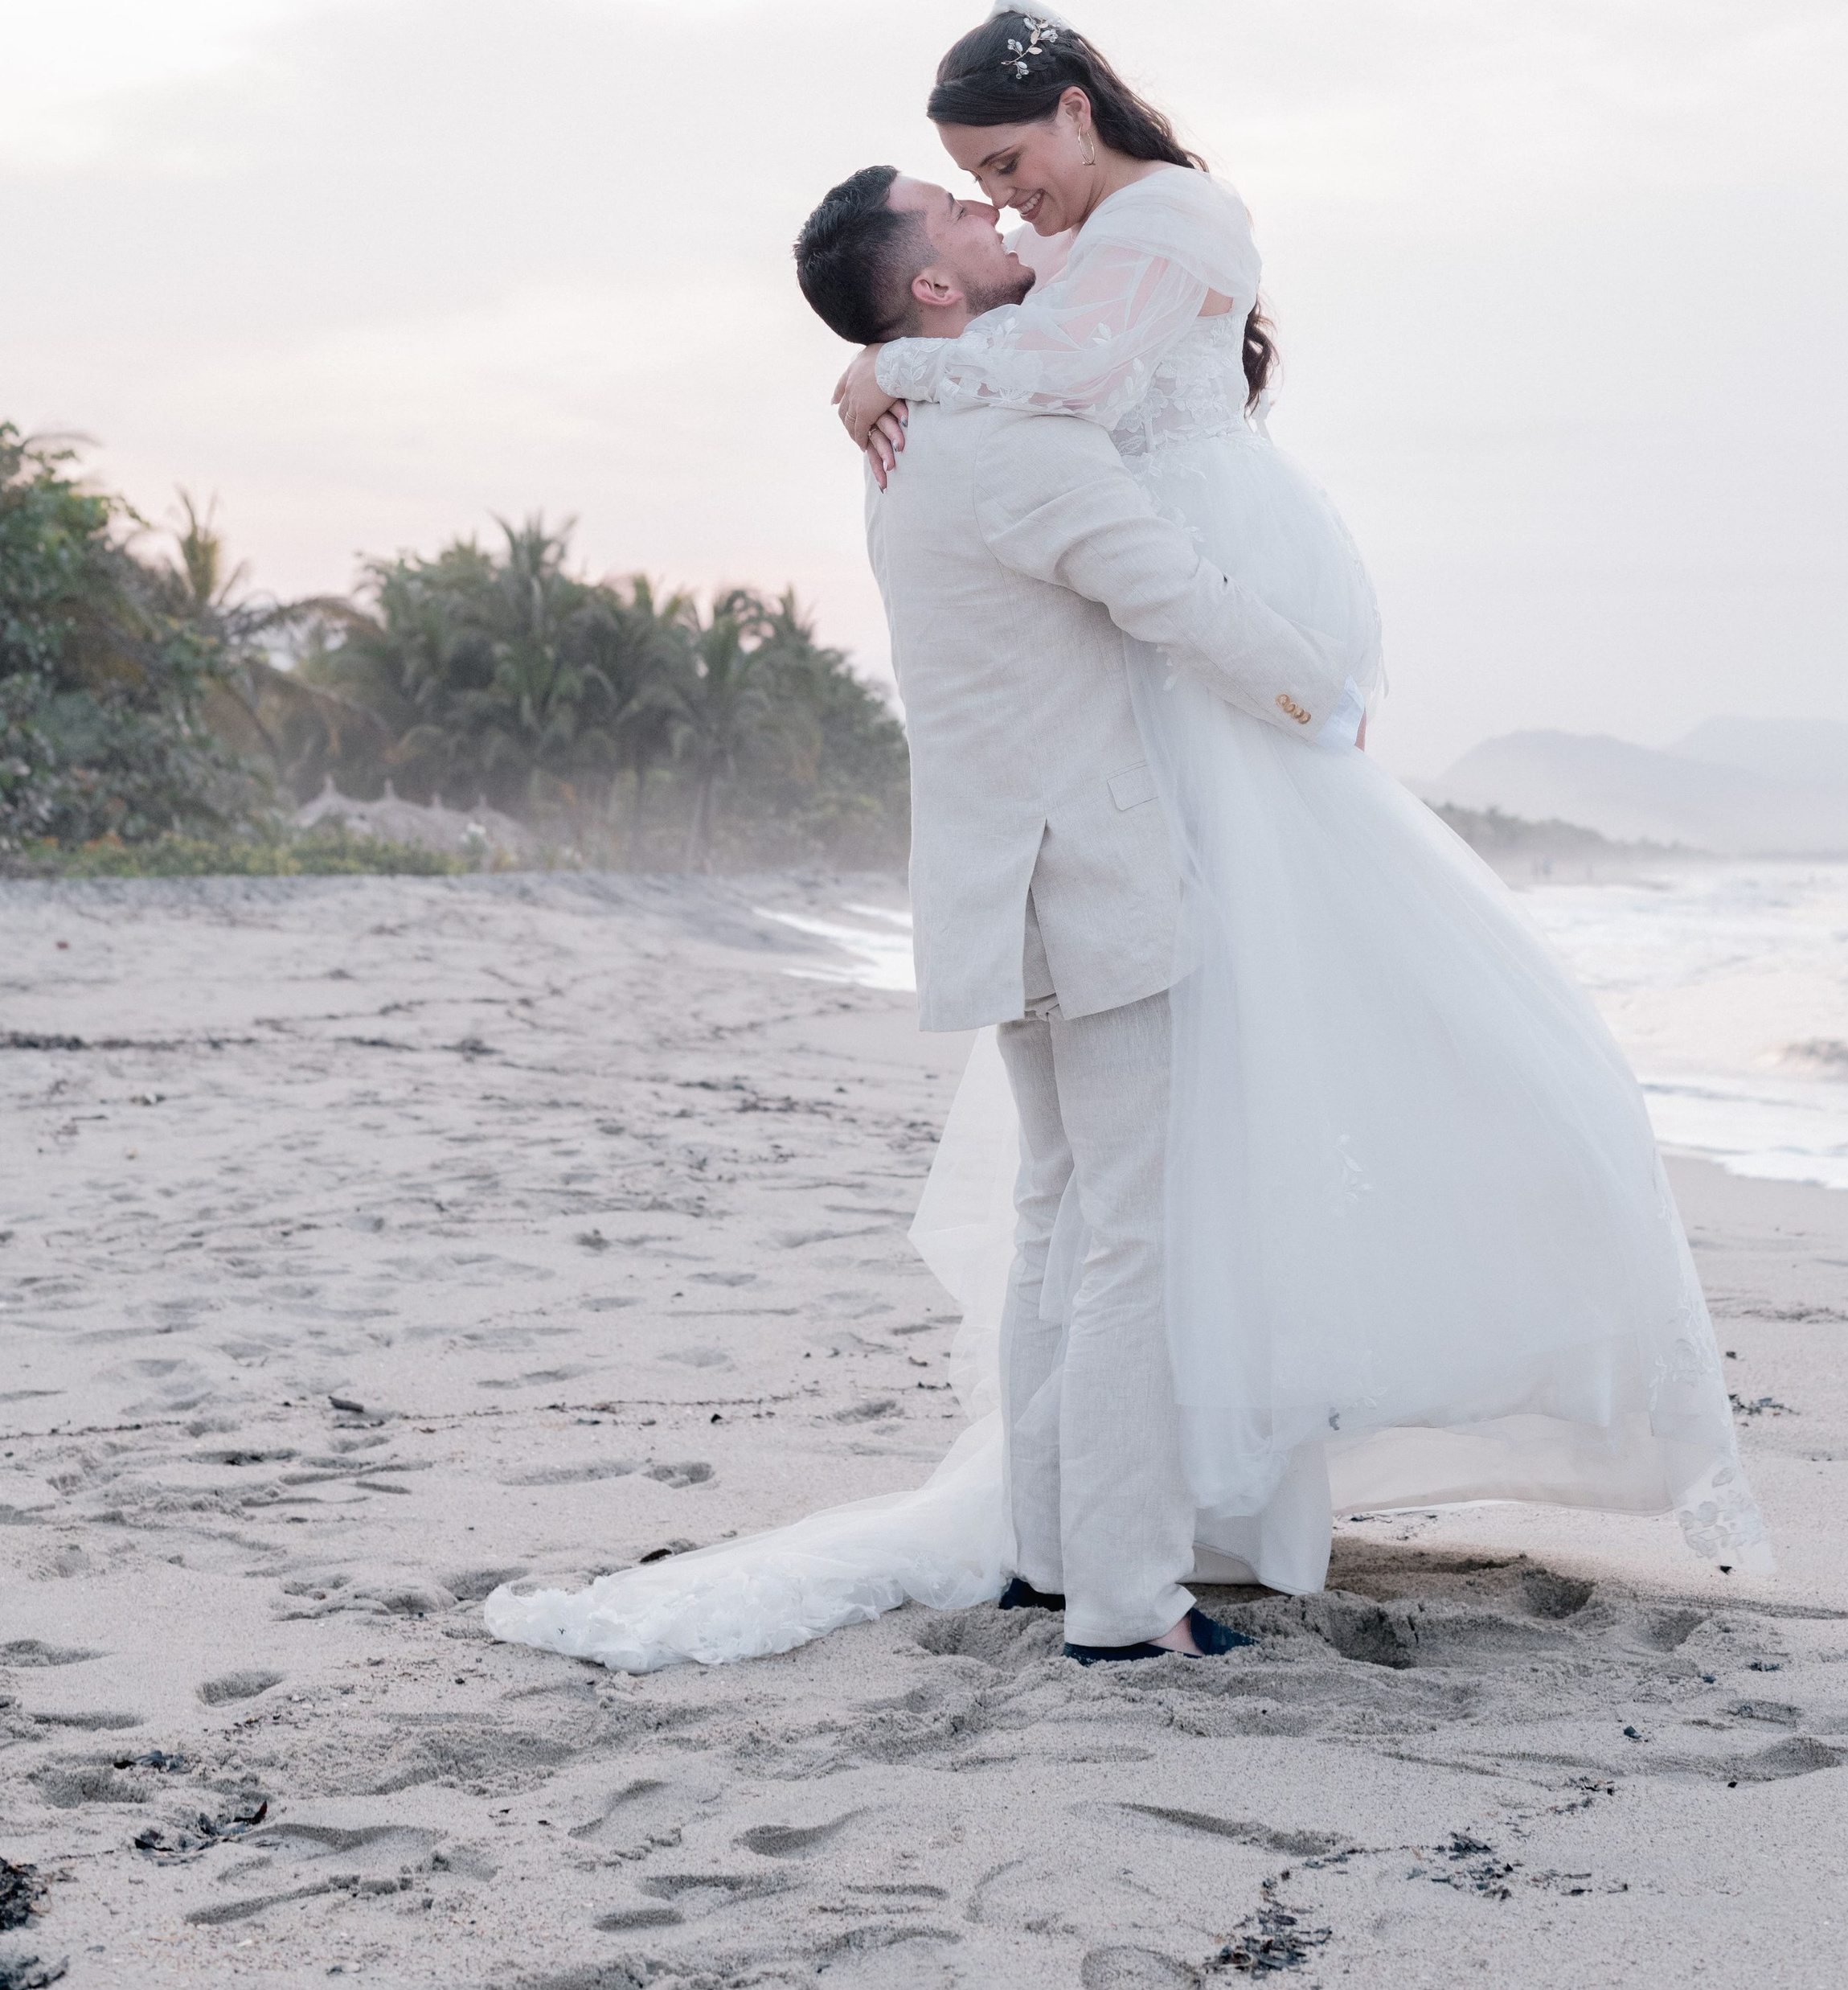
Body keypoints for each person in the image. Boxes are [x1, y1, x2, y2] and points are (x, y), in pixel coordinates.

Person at [830, 0, 1768, 1593]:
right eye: (972, 187)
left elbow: (1053, 369)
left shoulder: (1173, 213)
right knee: (1152, 1103)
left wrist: (886, 361)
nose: (1007, 200)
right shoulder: (1054, 266)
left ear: (1070, 108)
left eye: (1007, 162)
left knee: (1209, 1046)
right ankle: (1149, 1513)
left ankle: (1162, 1503)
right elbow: (1020, 360)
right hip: (1143, 596)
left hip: (1201, 576)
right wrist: (894, 355)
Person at [482, 159, 1369, 1674]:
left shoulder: (906, 441)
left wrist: (875, 366)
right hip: (1085, 885)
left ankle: (1041, 1556)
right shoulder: (1016, 445)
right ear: (939, 288)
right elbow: (1178, 598)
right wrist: (1326, 704)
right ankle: (1126, 1599)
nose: (997, 216)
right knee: (1128, 1242)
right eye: (962, 217)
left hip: (982, 883)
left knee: (1055, 1218)